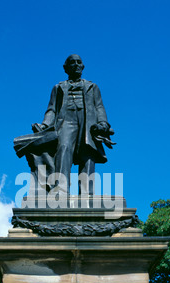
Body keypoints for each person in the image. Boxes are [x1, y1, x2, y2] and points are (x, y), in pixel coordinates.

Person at [33, 54, 114, 195]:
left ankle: (86, 194)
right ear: (66, 68)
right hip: (65, 121)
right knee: (63, 149)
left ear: (82, 66)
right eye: (72, 63)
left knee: (88, 153)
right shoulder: (58, 87)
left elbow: (99, 107)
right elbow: (52, 109)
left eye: (79, 62)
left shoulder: (92, 86)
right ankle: (61, 191)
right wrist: (45, 125)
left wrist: (102, 123)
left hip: (88, 122)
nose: (76, 65)